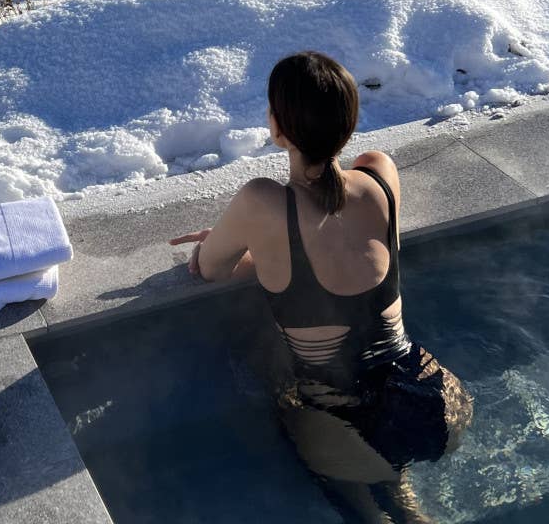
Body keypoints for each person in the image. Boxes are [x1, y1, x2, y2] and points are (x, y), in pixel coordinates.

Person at [170, 51, 473, 523]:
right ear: (349, 127)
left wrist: (244, 240)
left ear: (278, 129)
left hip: (344, 421)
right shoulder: (380, 175)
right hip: (436, 397)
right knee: (401, 495)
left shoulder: (262, 203)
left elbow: (209, 269)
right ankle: (404, 495)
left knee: (292, 418)